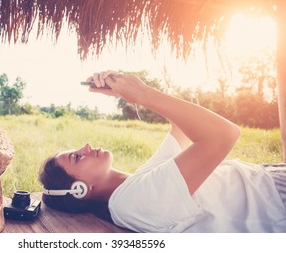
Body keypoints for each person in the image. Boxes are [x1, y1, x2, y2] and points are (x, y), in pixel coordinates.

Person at [39, 70, 286, 233]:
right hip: (275, 201)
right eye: (77, 157)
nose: (86, 147)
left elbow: (179, 127)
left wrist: (134, 93)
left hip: (269, 182)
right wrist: (144, 95)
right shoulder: (131, 202)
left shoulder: (136, 184)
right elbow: (224, 134)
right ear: (80, 190)